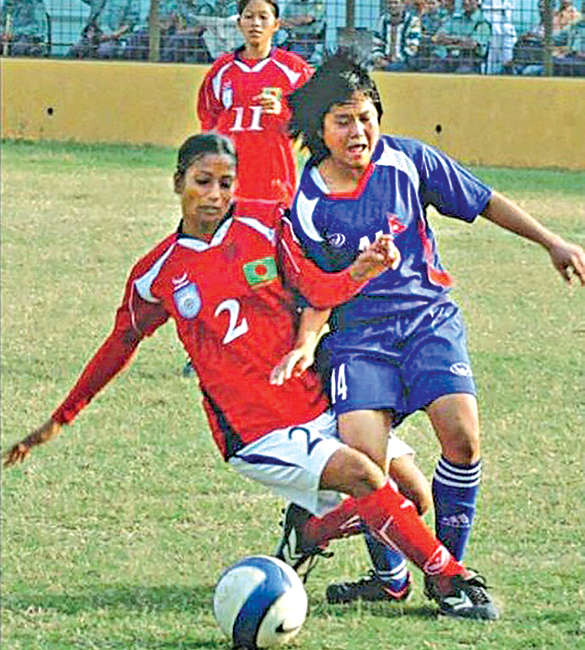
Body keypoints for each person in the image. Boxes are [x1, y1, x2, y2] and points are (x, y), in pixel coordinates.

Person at [4, 132, 498, 621]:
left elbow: (315, 287)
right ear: (178, 182)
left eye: (226, 183)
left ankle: (310, 533)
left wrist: (358, 273)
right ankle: (451, 581)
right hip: (256, 430)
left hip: (314, 402)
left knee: (413, 498)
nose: (215, 195)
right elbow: (119, 345)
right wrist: (60, 419)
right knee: (365, 477)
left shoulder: (264, 224)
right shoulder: (158, 273)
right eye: (202, 181)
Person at [281, 51, 585, 607]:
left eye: (366, 116)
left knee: (463, 439)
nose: (358, 131)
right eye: (343, 120)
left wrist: (552, 242)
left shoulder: (409, 160)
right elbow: (317, 289)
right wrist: (306, 343)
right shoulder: (309, 203)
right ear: (320, 130)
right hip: (358, 339)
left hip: (428, 322)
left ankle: (450, 577)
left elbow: (483, 200)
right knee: (367, 466)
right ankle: (388, 576)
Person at [197, 0, 313, 205]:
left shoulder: (295, 71)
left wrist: (283, 111)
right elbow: (208, 118)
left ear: (276, 24)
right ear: (239, 23)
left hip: (275, 180)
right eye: (249, 17)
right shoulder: (220, 70)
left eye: (263, 17)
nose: (255, 23)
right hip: (229, 179)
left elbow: (313, 120)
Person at [428, 0, 492, 73]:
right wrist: (461, 41)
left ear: (478, 1)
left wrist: (449, 40)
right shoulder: (456, 18)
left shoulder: (482, 22)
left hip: (470, 61)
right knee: (432, 71)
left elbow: (472, 45)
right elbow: (438, 37)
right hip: (449, 58)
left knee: (460, 73)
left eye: (470, 0)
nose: (466, 2)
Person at [69, 0, 139, 59]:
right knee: (74, 51)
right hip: (91, 35)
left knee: (103, 52)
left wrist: (112, 35)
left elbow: (129, 23)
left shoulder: (130, 2)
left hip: (114, 38)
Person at [371, 0, 422, 72]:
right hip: (385, 59)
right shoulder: (382, 20)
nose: (392, 5)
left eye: (395, 2)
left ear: (403, 4)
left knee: (391, 68)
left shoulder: (413, 21)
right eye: (390, 3)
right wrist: (379, 58)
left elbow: (413, 47)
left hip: (406, 61)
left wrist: (395, 59)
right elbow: (376, 43)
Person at [280, 0, 326, 65]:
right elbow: (281, 22)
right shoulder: (291, 3)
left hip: (308, 39)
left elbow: (307, 19)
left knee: (296, 60)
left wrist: (290, 22)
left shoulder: (317, 3)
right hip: (291, 38)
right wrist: (297, 21)